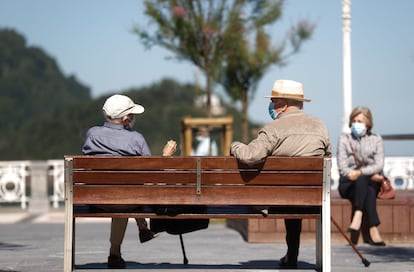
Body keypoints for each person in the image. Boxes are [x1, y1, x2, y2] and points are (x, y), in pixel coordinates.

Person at [230, 79, 331, 268]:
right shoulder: (320, 127)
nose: (271, 105)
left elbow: (251, 156)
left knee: (287, 196)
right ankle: (291, 255)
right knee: (295, 199)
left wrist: (235, 146)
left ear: (283, 105)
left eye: (274, 101)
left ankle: (291, 255)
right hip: (312, 200)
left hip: (276, 201)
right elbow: (328, 158)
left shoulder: (272, 130)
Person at [82, 94, 177, 268]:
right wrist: (166, 157)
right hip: (125, 200)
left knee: (122, 190)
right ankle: (126, 244)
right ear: (126, 119)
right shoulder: (136, 139)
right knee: (126, 194)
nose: (134, 118)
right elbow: (152, 176)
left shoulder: (92, 134)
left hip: (95, 198)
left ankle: (125, 246)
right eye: (132, 115)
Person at [337, 106, 386, 246]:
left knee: (366, 183)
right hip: (348, 183)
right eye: (354, 120)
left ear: (368, 123)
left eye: (360, 121)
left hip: (367, 183)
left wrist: (360, 173)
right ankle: (373, 229)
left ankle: (358, 215)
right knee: (365, 182)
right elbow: (342, 166)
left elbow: (379, 165)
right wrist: (356, 174)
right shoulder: (344, 139)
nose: (356, 124)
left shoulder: (376, 139)